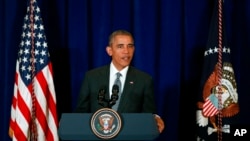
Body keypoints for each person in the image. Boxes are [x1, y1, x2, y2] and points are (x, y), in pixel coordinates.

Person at [75, 29, 164, 133]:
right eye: (120, 46)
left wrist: (155, 117)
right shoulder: (91, 77)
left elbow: (149, 113)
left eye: (130, 46)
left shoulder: (144, 80)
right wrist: (72, 123)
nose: (126, 51)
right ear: (109, 51)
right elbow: (81, 111)